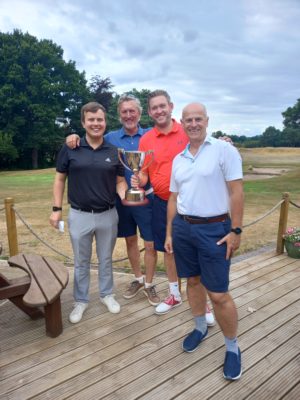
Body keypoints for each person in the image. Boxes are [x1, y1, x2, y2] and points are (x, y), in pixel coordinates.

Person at [165, 102, 244, 380]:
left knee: (219, 293)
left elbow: (236, 191)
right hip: (184, 228)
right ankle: (200, 327)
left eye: (198, 119)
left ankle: (232, 347)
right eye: (189, 120)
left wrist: (236, 230)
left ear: (207, 121)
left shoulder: (224, 151)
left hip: (216, 230)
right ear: (182, 123)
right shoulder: (179, 158)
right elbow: (174, 198)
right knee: (193, 282)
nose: (194, 123)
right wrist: (169, 233)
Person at [66, 94, 160, 306]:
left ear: (139, 112)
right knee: (130, 240)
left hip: (146, 198)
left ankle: (150, 284)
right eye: (124, 111)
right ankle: (138, 278)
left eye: (132, 111)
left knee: (150, 242)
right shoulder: (109, 138)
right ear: (119, 115)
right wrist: (72, 137)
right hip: (121, 200)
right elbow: (89, 141)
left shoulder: (151, 136)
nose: (128, 115)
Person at [131, 90, 215, 325]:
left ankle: (203, 301)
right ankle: (175, 295)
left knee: (196, 251)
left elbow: (208, 147)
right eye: (154, 108)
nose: (159, 111)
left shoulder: (186, 131)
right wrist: (139, 181)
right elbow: (145, 172)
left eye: (162, 106)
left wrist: (226, 141)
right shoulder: (145, 139)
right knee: (168, 250)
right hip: (160, 202)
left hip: (191, 203)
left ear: (170, 107)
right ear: (149, 112)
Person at [50, 102, 127, 324]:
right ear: (83, 122)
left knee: (105, 259)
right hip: (79, 214)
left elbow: (120, 182)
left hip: (108, 214)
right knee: (81, 261)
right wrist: (56, 209)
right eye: (91, 120)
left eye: (100, 120)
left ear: (105, 122)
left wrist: (126, 195)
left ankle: (107, 294)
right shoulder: (71, 148)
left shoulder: (114, 152)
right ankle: (81, 300)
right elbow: (59, 178)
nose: (96, 123)